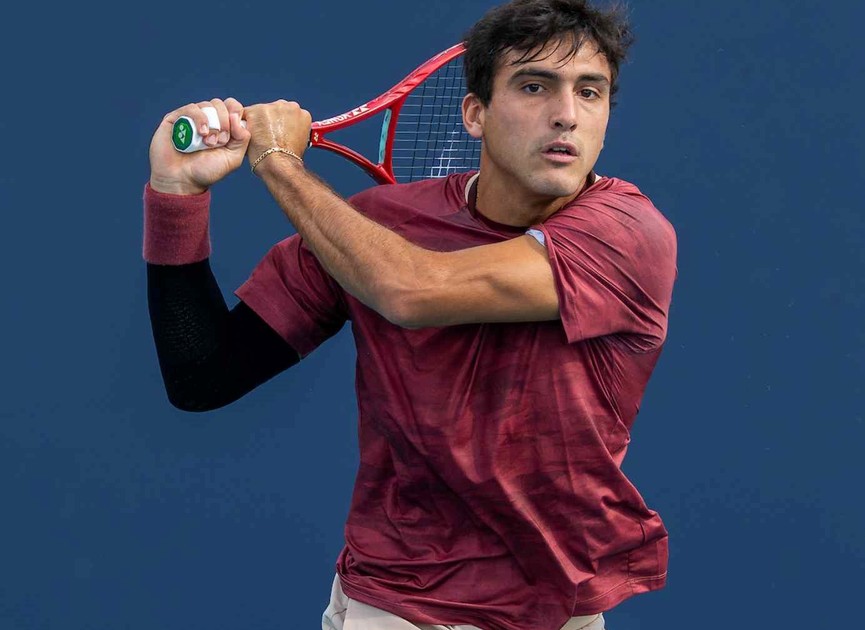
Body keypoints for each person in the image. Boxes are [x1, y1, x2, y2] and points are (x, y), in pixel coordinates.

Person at [142, 0, 676, 628]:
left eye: (590, 92)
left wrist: (277, 161)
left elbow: (410, 289)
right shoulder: (373, 230)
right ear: (475, 114)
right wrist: (176, 195)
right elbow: (204, 375)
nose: (567, 114)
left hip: (562, 610)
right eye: (535, 86)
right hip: (398, 605)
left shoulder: (627, 236)